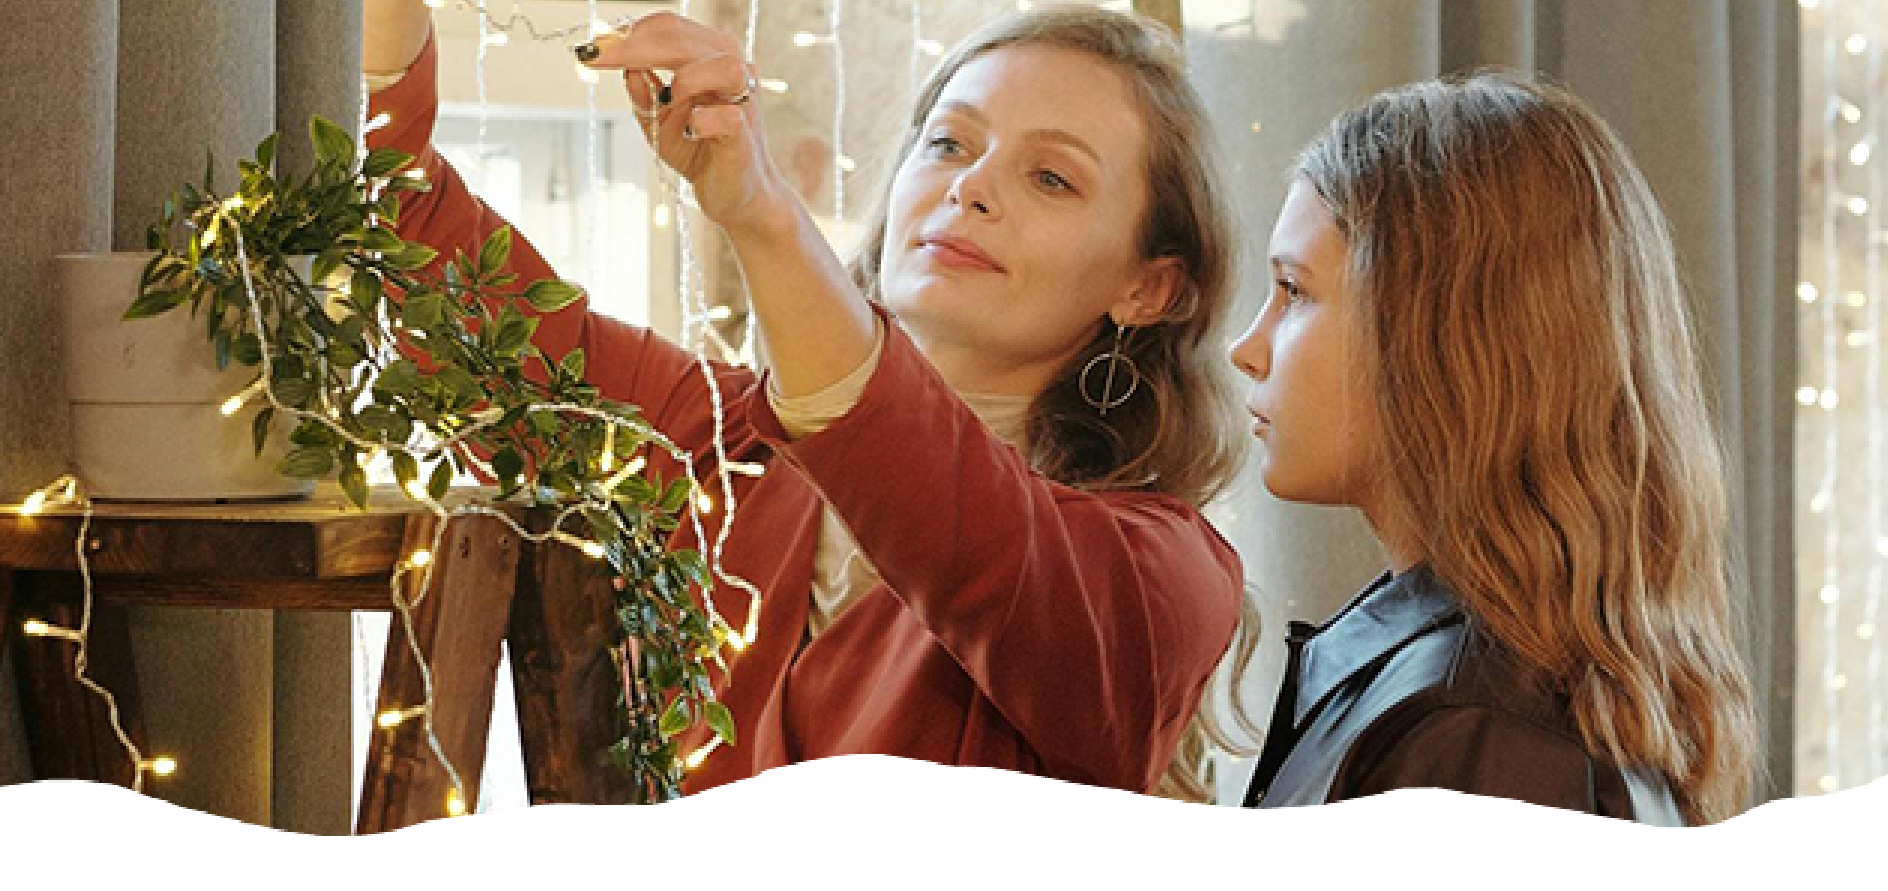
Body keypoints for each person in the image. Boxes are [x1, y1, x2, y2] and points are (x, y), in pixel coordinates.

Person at [363, 1, 1259, 800]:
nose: (970, 186)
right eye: (949, 142)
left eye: (1051, 177)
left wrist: (760, 213)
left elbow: (952, 516)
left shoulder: (1161, 575)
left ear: (1149, 288)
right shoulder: (717, 442)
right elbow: (417, 254)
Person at [1229, 72, 1757, 824]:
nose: (1246, 348)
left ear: (1435, 334)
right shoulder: (1447, 689)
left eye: (1295, 290)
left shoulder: (1482, 740)